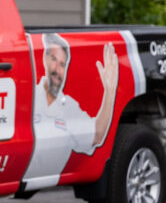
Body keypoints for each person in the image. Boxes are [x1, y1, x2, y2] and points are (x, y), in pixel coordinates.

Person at [22, 32, 119, 189]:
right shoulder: (27, 96)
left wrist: (110, 90)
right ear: (44, 59)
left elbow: (97, 134)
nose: (57, 69)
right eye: (54, 59)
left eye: (62, 64)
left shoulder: (69, 107)